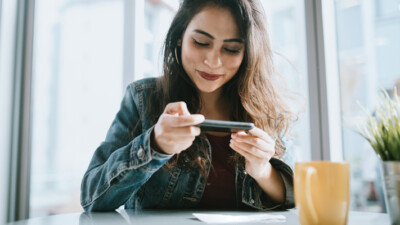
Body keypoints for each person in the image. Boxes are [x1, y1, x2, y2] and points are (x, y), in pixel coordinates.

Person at [80, 0, 296, 212]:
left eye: (231, 49)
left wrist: (263, 171)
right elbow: (92, 199)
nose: (213, 61)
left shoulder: (265, 109)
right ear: (180, 38)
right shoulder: (143, 99)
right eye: (201, 42)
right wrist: (154, 144)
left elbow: (295, 197)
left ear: (248, 53)